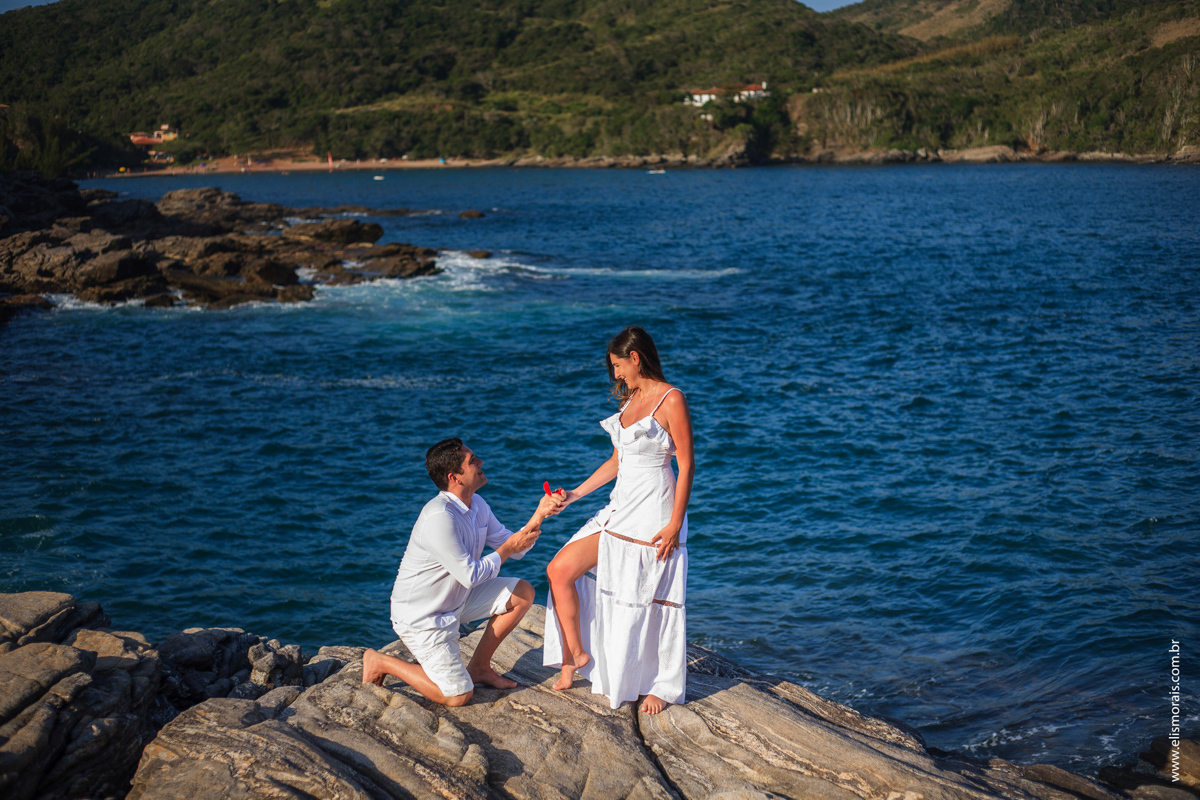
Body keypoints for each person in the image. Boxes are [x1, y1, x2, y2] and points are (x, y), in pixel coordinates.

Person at [543, 326, 694, 714]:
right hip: (617, 508)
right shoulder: (630, 400)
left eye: (617, 366)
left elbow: (686, 463)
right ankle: (575, 656)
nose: (615, 375)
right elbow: (616, 462)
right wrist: (574, 495)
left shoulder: (671, 399)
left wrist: (676, 522)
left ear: (636, 358)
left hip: (653, 512)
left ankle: (661, 684)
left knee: (648, 599)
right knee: (559, 570)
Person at [363, 438, 563, 706]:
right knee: (458, 696)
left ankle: (479, 667)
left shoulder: (477, 504)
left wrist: (540, 514)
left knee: (522, 593)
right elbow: (471, 574)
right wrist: (505, 550)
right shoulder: (439, 517)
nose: (480, 463)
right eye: (472, 461)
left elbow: (515, 549)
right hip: (422, 615)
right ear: (454, 477)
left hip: (455, 600)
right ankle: (381, 661)